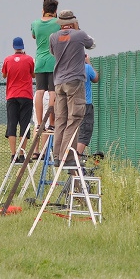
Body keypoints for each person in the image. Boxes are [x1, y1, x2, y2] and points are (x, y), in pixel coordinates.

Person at [49, 10, 96, 165]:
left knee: (61, 119)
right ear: (74, 21)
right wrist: (77, 29)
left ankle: (56, 156)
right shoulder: (79, 34)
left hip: (59, 82)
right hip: (74, 81)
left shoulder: (53, 37)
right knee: (74, 119)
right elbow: (92, 44)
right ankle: (67, 156)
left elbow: (52, 52)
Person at [1, 37, 35, 163]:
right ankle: (22, 154)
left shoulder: (8, 60)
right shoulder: (29, 59)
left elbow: (4, 75)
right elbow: (33, 74)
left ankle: (13, 154)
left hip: (11, 95)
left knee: (12, 124)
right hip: (26, 95)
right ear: (23, 46)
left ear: (13, 46)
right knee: (24, 125)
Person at [31, 0, 61, 131]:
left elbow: (34, 36)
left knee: (39, 91)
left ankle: (39, 123)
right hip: (53, 61)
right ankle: (52, 122)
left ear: (43, 9)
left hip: (39, 61)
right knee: (52, 92)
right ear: (55, 11)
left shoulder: (35, 23)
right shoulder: (58, 23)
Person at [76, 55, 100, 157]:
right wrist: (88, 62)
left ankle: (70, 157)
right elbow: (95, 78)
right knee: (85, 131)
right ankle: (76, 157)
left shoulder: (67, 67)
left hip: (71, 104)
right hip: (85, 104)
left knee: (73, 132)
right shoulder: (86, 67)